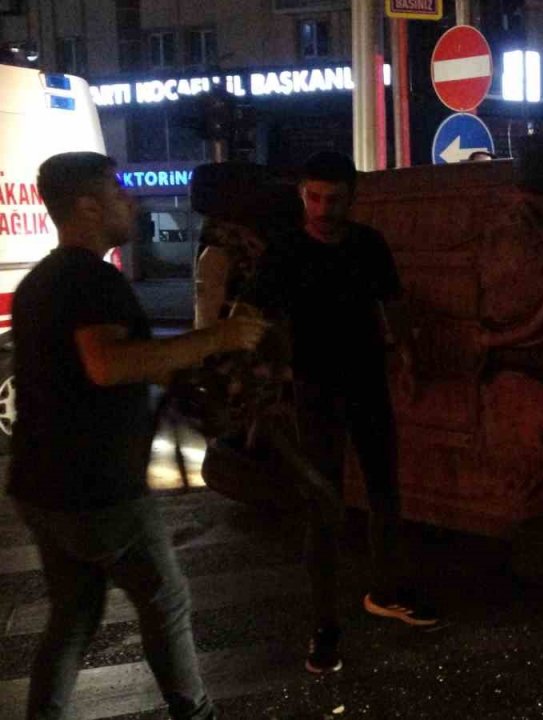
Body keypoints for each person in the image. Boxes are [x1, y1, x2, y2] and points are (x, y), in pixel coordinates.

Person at [7, 152, 270, 719]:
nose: (133, 201)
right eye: (119, 191)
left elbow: (113, 367)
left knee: (74, 613)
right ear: (87, 206)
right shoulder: (93, 280)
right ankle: (194, 712)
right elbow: (109, 365)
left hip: (39, 483)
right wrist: (220, 338)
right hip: (98, 487)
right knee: (166, 599)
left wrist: (180, 369)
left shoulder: (40, 282)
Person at [237, 151, 434, 675]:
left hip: (368, 380)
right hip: (313, 388)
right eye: (315, 198)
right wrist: (260, 375)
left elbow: (390, 301)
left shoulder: (368, 244)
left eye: (334, 199)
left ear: (353, 197)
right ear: (303, 195)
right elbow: (255, 315)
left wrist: (408, 355)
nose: (323, 209)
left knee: (384, 491)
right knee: (323, 503)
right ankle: (325, 625)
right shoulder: (285, 251)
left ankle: (385, 590)